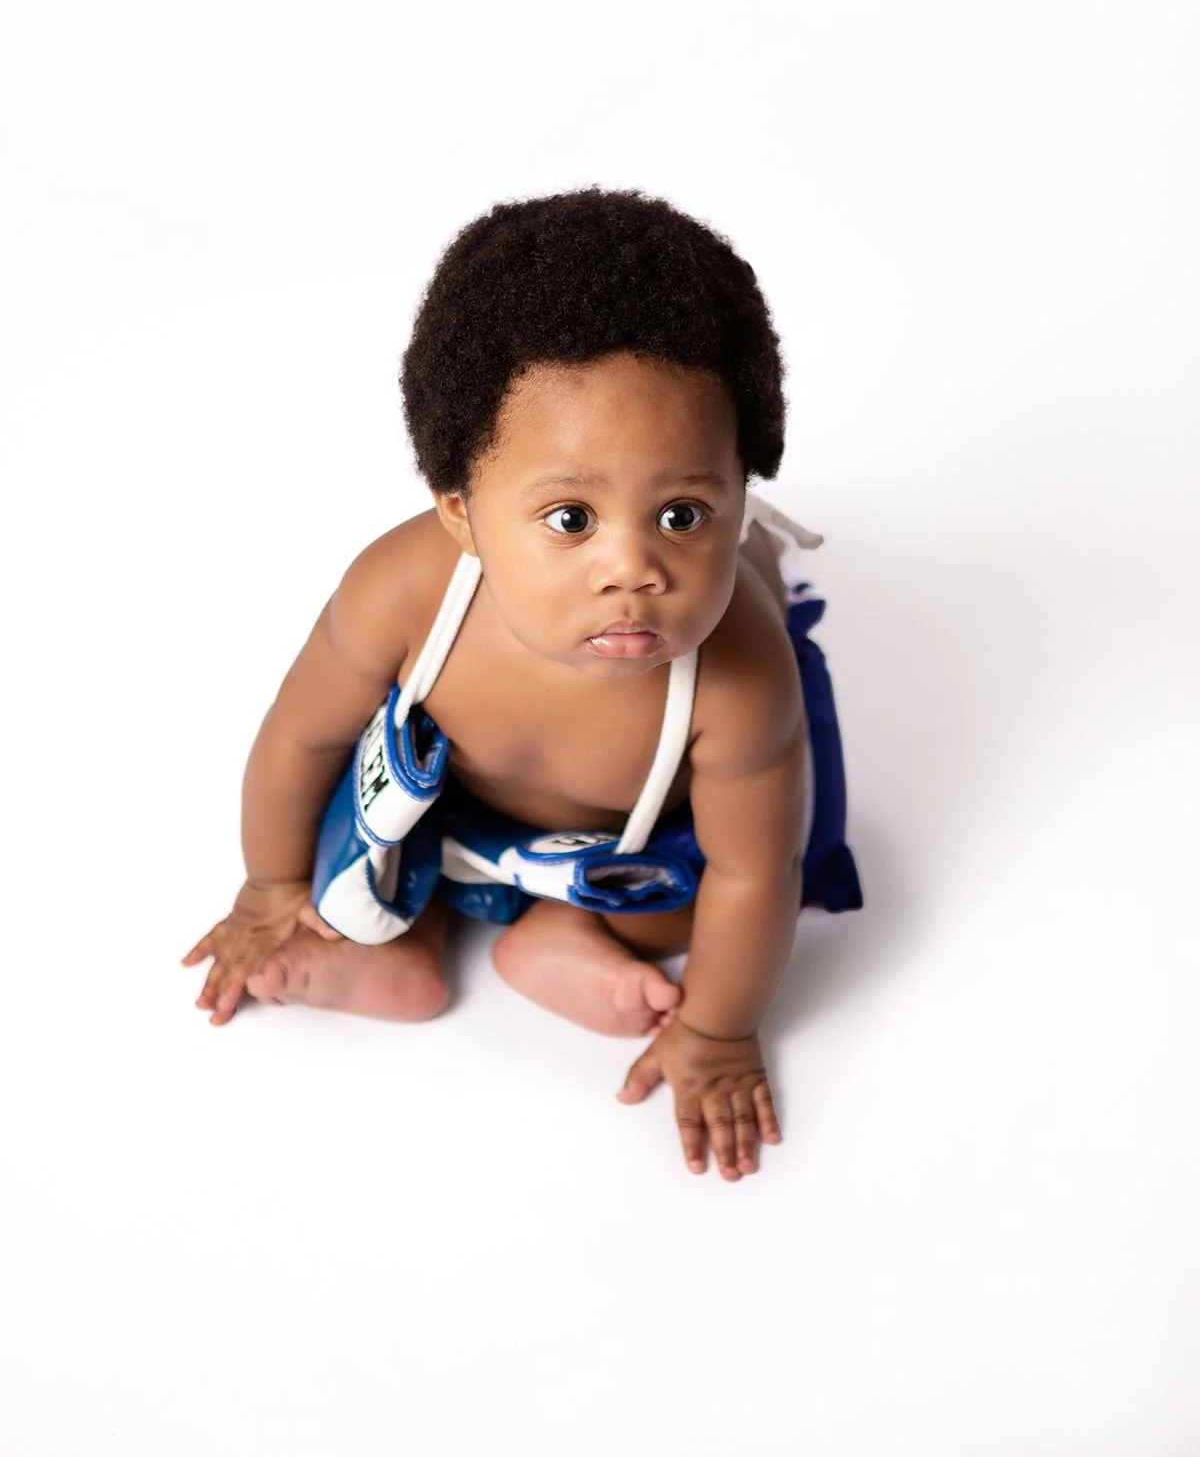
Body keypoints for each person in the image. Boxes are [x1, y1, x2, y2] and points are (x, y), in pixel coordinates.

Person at [183, 186, 863, 1182]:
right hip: (451, 805)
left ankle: (558, 933)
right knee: (357, 812)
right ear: (462, 511)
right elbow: (301, 738)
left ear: (740, 494)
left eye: (684, 515)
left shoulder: (738, 674)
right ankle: (399, 947)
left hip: (623, 842)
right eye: (570, 519)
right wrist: (271, 884)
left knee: (707, 899)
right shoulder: (405, 592)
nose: (632, 567)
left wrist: (718, 1032)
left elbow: (754, 874)